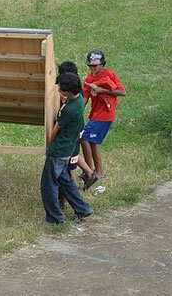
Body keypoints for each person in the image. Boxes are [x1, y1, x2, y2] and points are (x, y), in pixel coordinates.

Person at [41, 72, 93, 225]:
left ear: (68, 91)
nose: (59, 91)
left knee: (48, 184)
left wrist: (49, 146)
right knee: (65, 180)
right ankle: (83, 209)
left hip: (59, 151)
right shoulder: (79, 100)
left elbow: (56, 128)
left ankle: (55, 218)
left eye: (61, 89)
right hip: (69, 149)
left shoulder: (69, 111)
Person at [81, 50, 126, 178]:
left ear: (102, 64)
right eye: (90, 66)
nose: (92, 69)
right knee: (93, 142)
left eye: (95, 66)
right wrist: (79, 112)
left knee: (84, 137)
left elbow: (122, 92)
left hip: (105, 114)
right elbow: (85, 97)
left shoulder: (110, 75)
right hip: (95, 114)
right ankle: (95, 172)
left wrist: (102, 90)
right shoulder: (89, 79)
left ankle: (91, 171)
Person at [57, 61, 98, 192]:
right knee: (74, 156)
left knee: (71, 163)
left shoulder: (70, 94)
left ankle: (74, 187)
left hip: (72, 131)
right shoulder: (76, 89)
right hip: (78, 129)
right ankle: (89, 173)